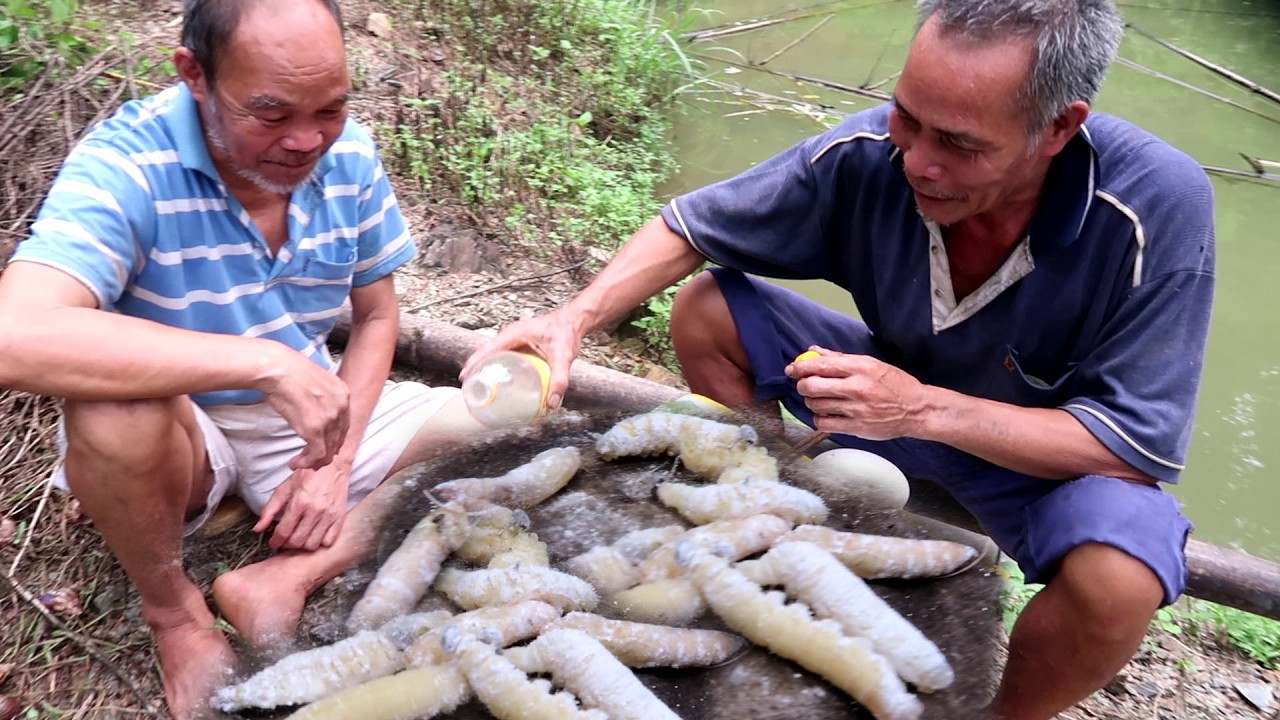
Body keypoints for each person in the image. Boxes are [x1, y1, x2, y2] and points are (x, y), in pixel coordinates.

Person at [465, 0, 1215, 717]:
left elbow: (1132, 446)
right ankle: (774, 522)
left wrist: (920, 409)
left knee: (1120, 577)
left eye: (958, 143)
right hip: (889, 409)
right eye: (907, 117)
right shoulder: (870, 155)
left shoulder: (1154, 208)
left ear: (1058, 128)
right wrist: (573, 319)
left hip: (1038, 463)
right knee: (709, 310)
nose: (918, 161)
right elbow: (691, 227)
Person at [0, 0, 490, 716]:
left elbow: (379, 315)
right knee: (111, 408)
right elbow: (14, 335)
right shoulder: (128, 164)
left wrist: (337, 463)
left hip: (312, 414)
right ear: (194, 75)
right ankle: (176, 614)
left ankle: (282, 577)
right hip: (185, 425)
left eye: (330, 108)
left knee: (516, 409)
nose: (305, 140)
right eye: (269, 114)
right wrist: (262, 362)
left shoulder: (347, 154)